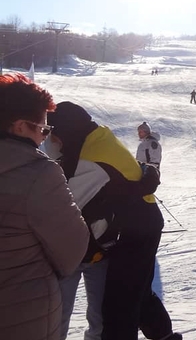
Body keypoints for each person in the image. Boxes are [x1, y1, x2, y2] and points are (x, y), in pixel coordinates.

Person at [47, 101, 180, 340]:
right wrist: (147, 176)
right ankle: (164, 335)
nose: (49, 140)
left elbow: (65, 208)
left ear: (65, 131)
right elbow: (127, 171)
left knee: (120, 302)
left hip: (134, 230)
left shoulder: (86, 159)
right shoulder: (97, 138)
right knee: (134, 291)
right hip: (136, 224)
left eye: (51, 133)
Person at [0, 74, 89, 340]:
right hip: (19, 313)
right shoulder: (39, 173)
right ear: (19, 127)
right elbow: (72, 250)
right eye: (43, 130)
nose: (43, 138)